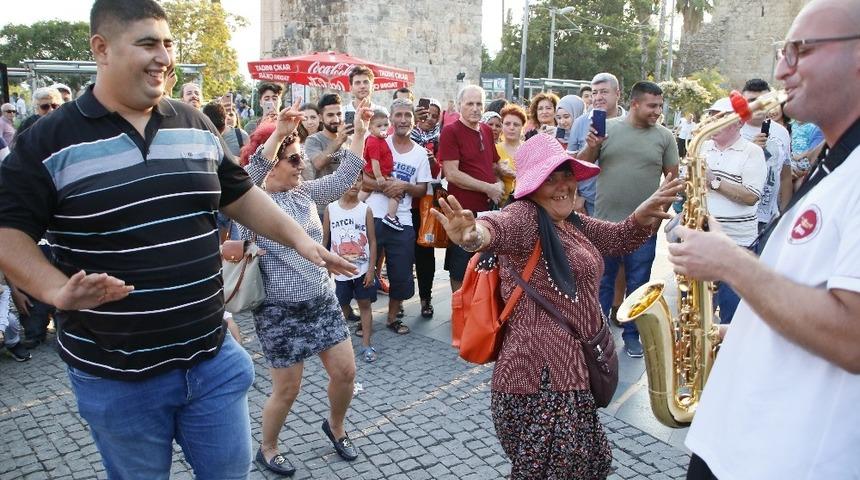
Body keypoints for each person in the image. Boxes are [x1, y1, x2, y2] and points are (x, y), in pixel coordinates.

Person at [0, 1, 356, 477]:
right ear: (101, 49)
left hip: (210, 362)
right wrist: (53, 290)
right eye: (147, 43)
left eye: (168, 43)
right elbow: (8, 232)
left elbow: (241, 195)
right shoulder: (47, 140)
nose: (163, 56)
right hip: (118, 378)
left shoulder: (192, 122)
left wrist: (300, 240)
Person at [671, 1, 860, 478]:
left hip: (784, 460)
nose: (781, 68)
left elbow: (853, 337)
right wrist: (740, 334)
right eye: (783, 50)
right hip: (747, 449)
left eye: (800, 50)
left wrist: (729, 262)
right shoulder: (835, 160)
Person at [431, 134, 683, 479]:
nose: (563, 185)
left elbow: (620, 237)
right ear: (532, 185)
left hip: (570, 375)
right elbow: (492, 229)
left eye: (567, 175)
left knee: (584, 469)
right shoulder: (524, 217)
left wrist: (645, 210)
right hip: (538, 381)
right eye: (551, 178)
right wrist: (471, 235)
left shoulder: (570, 222)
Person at [241, 102, 369, 475]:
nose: (303, 165)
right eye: (294, 160)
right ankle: (267, 448)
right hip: (279, 312)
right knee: (287, 390)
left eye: (301, 159)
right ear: (275, 162)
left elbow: (346, 175)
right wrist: (280, 133)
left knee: (345, 374)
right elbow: (252, 175)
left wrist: (359, 132)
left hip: (322, 302)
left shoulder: (305, 194)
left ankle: (336, 426)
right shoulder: (252, 203)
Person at [578, 81, 680, 357]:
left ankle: (633, 335)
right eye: (652, 105)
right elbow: (581, 167)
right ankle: (598, 339)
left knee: (639, 285)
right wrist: (591, 147)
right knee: (601, 282)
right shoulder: (607, 130)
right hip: (604, 225)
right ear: (635, 104)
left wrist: (656, 222)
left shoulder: (665, 137)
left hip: (643, 229)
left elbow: (673, 181)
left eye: (660, 105)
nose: (657, 111)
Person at [363, 98, 432, 335]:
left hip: (401, 220)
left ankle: (392, 318)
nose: (403, 120)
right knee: (366, 269)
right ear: (391, 119)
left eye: (407, 115)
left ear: (413, 120)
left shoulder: (421, 154)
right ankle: (366, 321)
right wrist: (384, 187)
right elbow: (362, 178)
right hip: (372, 215)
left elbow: (422, 189)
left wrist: (403, 185)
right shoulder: (376, 141)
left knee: (401, 272)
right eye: (399, 115)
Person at [701, 97, 767, 323]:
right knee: (698, 312)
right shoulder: (702, 147)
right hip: (702, 239)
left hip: (737, 244)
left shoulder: (752, 152)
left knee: (733, 314)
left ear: (739, 123)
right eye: (712, 116)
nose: (713, 122)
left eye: (720, 117)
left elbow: (751, 196)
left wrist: (714, 181)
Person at [439, 85, 503, 293]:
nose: (475, 108)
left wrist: (500, 183)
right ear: (459, 106)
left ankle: (478, 313)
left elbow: (492, 165)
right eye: (470, 104)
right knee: (459, 267)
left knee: (485, 264)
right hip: (462, 212)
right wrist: (488, 188)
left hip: (487, 211)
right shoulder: (451, 131)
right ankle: (459, 314)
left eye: (479, 104)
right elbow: (452, 173)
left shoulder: (485, 129)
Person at [324, 177, 378, 362]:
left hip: (361, 270)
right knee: (340, 307)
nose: (354, 184)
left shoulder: (365, 209)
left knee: (365, 304)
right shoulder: (331, 209)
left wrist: (371, 269)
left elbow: (372, 240)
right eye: (351, 180)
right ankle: (340, 347)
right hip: (339, 272)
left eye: (359, 180)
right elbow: (326, 240)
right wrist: (325, 267)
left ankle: (366, 344)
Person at [569, 72, 628, 216]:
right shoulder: (580, 123)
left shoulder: (631, 123)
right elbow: (570, 166)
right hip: (589, 205)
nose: (598, 97)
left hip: (624, 206)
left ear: (617, 94)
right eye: (594, 93)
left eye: (604, 92)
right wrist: (576, 196)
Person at [739, 79, 793, 230]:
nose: (758, 106)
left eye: (762, 101)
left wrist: (784, 214)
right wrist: (751, 152)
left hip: (769, 219)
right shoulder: (732, 130)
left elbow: (785, 176)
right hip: (736, 218)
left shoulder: (782, 132)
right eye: (752, 101)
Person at [410, 98, 443, 318]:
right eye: (425, 114)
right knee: (402, 252)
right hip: (403, 202)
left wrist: (431, 161)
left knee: (425, 252)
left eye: (434, 115)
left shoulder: (442, 139)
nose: (429, 119)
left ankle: (425, 298)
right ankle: (398, 300)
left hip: (426, 203)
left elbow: (441, 172)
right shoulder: (406, 135)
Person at [357, 107, 403, 230]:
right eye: (379, 126)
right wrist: (379, 177)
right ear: (370, 128)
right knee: (396, 192)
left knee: (365, 191)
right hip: (376, 173)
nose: (383, 128)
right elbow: (375, 161)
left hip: (377, 173)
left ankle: (353, 207)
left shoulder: (378, 139)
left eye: (385, 125)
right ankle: (391, 216)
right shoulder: (374, 142)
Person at [305, 93, 353, 202]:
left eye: (339, 114)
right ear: (321, 118)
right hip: (323, 206)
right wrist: (339, 140)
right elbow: (318, 163)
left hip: (346, 206)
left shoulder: (350, 140)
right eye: (330, 115)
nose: (336, 119)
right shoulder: (313, 140)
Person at [495, 104, 526, 206]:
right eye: (507, 124)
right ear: (502, 126)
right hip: (500, 206)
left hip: (526, 203)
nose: (511, 128)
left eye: (516, 124)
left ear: (522, 127)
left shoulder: (529, 149)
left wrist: (513, 174)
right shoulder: (494, 149)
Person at [0, 271, 31, 362]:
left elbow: (3, 312)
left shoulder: (4, 290)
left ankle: (13, 344)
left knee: (10, 320)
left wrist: (0, 330)